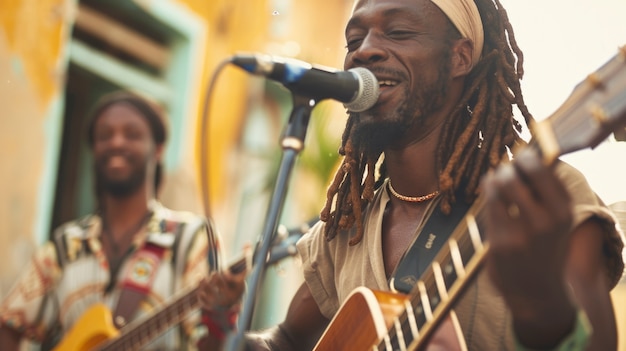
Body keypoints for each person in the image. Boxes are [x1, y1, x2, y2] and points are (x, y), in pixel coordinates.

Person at [199, 0, 625, 350]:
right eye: (354, 39)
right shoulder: (343, 230)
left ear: (461, 57)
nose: (364, 50)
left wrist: (540, 307)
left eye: (398, 32)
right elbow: (287, 339)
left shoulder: (548, 195)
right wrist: (226, 331)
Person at [0, 91, 226, 350]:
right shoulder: (65, 246)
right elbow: (9, 324)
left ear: (159, 150)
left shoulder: (191, 239)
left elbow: (212, 343)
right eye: (104, 135)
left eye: (132, 134)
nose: (116, 142)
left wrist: (222, 311)